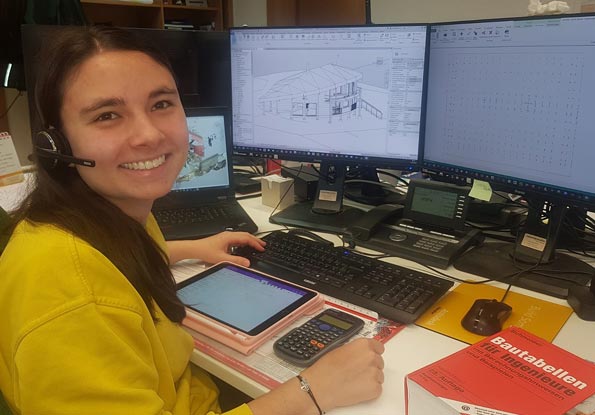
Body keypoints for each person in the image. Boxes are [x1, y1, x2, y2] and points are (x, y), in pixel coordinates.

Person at [0, 26, 384, 415]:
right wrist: (311, 393)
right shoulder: (68, 295)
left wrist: (187, 248)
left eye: (161, 104)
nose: (149, 135)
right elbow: (89, 288)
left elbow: (111, 267)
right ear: (57, 144)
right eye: (107, 115)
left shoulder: (105, 216)